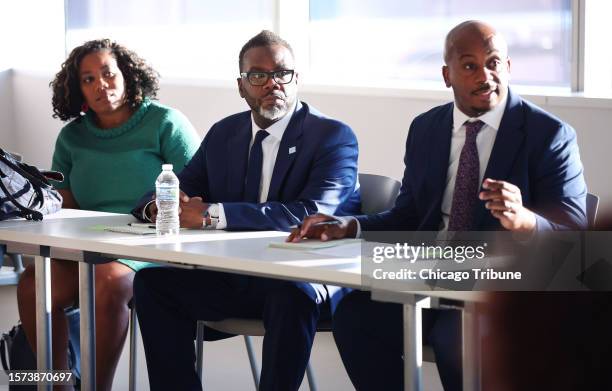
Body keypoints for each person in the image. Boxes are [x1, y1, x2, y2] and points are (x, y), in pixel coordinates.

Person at [289, 20, 587, 390]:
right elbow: (409, 216)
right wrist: (350, 226)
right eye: (469, 65)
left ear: (508, 67)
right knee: (354, 315)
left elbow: (577, 241)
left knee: (455, 338)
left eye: (494, 63)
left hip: (498, 288)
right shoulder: (426, 129)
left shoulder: (549, 135)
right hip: (428, 277)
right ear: (447, 75)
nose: (485, 75)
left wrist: (524, 221)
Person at [131, 30, 360, 391]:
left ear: (296, 79)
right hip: (236, 276)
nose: (272, 84)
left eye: (282, 73)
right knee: (151, 283)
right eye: (258, 76)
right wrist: (159, 208)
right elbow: (178, 185)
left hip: (301, 278)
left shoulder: (332, 136)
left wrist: (212, 214)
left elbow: (312, 212)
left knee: (292, 294)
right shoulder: (225, 133)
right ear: (241, 86)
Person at [16, 39, 200, 391]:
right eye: (88, 79)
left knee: (108, 281)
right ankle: (58, 386)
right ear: (78, 89)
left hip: (151, 247)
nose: (101, 84)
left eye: (108, 73)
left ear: (127, 75)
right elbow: (63, 205)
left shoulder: (165, 123)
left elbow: (197, 190)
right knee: (33, 284)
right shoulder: (71, 137)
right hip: (88, 246)